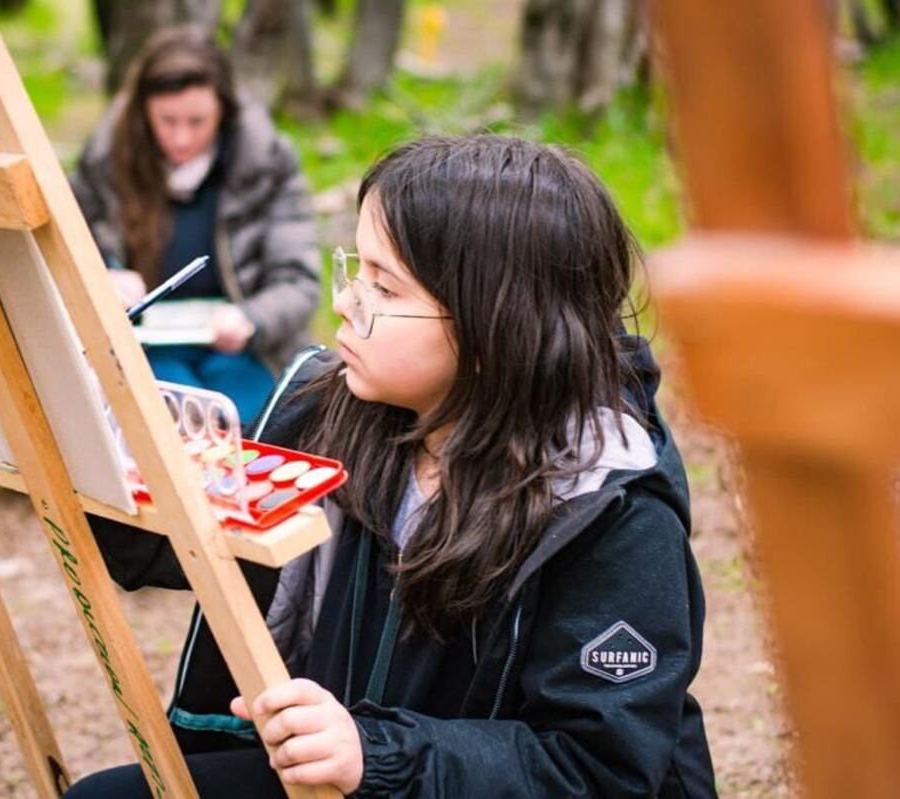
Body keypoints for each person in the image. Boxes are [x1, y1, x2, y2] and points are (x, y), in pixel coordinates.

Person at [68, 135, 717, 797]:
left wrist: (374, 753)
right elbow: (174, 544)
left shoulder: (613, 512)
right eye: (356, 270)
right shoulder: (332, 411)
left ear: (493, 330)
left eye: (383, 286)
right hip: (355, 775)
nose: (346, 302)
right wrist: (80, 398)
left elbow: (598, 767)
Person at [70, 26, 320, 424]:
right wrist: (106, 278)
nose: (182, 138)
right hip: (143, 349)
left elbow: (298, 282)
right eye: (167, 121)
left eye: (197, 121)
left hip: (244, 350)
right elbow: (67, 249)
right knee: (170, 424)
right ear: (143, 113)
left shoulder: (266, 161)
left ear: (223, 110)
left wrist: (252, 319)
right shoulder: (106, 161)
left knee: (254, 427)